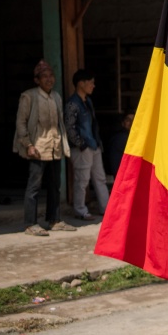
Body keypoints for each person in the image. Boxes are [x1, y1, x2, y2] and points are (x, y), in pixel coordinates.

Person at [13, 60, 75, 237]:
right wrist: (28, 145)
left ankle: (54, 220)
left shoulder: (56, 96)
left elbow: (59, 123)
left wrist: (63, 145)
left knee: (55, 186)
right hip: (38, 148)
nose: (49, 79)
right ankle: (30, 224)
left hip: (54, 147)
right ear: (36, 80)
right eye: (44, 77)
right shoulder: (29, 96)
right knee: (34, 187)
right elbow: (21, 123)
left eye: (51, 76)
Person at [65, 69, 109, 221]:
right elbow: (69, 128)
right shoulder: (72, 104)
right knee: (82, 180)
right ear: (81, 83)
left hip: (93, 145)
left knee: (100, 178)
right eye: (90, 82)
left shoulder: (87, 101)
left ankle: (106, 208)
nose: (93, 85)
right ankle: (80, 210)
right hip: (83, 147)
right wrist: (81, 144)